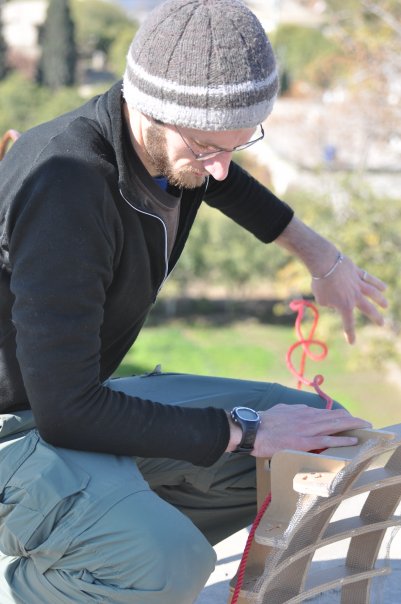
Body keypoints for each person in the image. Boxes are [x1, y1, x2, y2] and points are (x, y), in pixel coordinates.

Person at [0, 0, 387, 602]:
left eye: (239, 144)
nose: (220, 167)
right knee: (171, 562)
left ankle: (108, 530)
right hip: (16, 432)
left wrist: (324, 259)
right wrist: (246, 430)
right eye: (208, 146)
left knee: (315, 435)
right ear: (149, 105)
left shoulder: (165, 147)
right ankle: (69, 574)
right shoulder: (66, 187)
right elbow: (66, 411)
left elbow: (232, 186)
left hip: (71, 403)